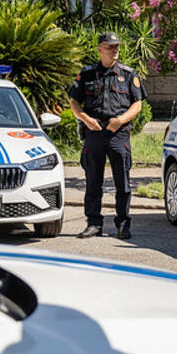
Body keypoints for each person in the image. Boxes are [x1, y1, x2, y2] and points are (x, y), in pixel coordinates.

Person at [70, 32, 147, 239]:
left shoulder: (128, 74)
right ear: (100, 49)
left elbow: (137, 104)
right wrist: (86, 120)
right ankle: (94, 223)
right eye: (110, 46)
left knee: (122, 181)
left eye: (116, 47)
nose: (114, 50)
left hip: (118, 133)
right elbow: (74, 103)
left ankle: (123, 224)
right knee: (93, 180)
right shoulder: (86, 74)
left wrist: (120, 120)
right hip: (94, 132)